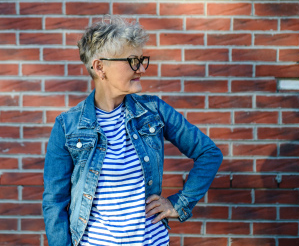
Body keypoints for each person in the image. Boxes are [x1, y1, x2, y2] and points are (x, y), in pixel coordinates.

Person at [42, 16, 223, 246]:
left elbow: (209, 152)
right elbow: (54, 202)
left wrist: (179, 203)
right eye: (132, 60)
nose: (141, 68)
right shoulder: (67, 126)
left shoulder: (154, 111)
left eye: (141, 59)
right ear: (100, 67)